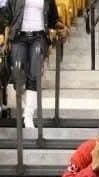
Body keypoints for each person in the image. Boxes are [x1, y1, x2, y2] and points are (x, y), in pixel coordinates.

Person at [5, 0, 67, 128]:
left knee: (34, 73)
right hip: (18, 36)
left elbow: (53, 18)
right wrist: (6, 34)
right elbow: (7, 15)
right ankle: (25, 105)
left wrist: (61, 27)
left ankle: (28, 115)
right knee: (18, 76)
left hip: (39, 37)